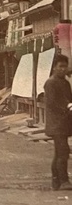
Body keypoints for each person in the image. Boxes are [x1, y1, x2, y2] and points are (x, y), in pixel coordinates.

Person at [44, 54, 72, 191]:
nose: (63, 69)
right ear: (54, 67)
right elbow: (52, 103)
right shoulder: (51, 83)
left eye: (65, 66)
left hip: (64, 122)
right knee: (63, 152)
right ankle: (63, 180)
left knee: (60, 152)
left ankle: (56, 181)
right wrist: (67, 106)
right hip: (56, 123)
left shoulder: (65, 83)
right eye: (60, 66)